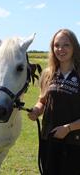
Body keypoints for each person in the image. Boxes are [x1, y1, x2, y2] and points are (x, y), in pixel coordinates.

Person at [28, 29, 80, 175]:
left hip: (75, 143)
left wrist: (68, 128)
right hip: (49, 140)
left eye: (66, 45)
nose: (60, 49)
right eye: (56, 45)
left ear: (74, 47)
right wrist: (37, 110)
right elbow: (43, 101)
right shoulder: (48, 74)